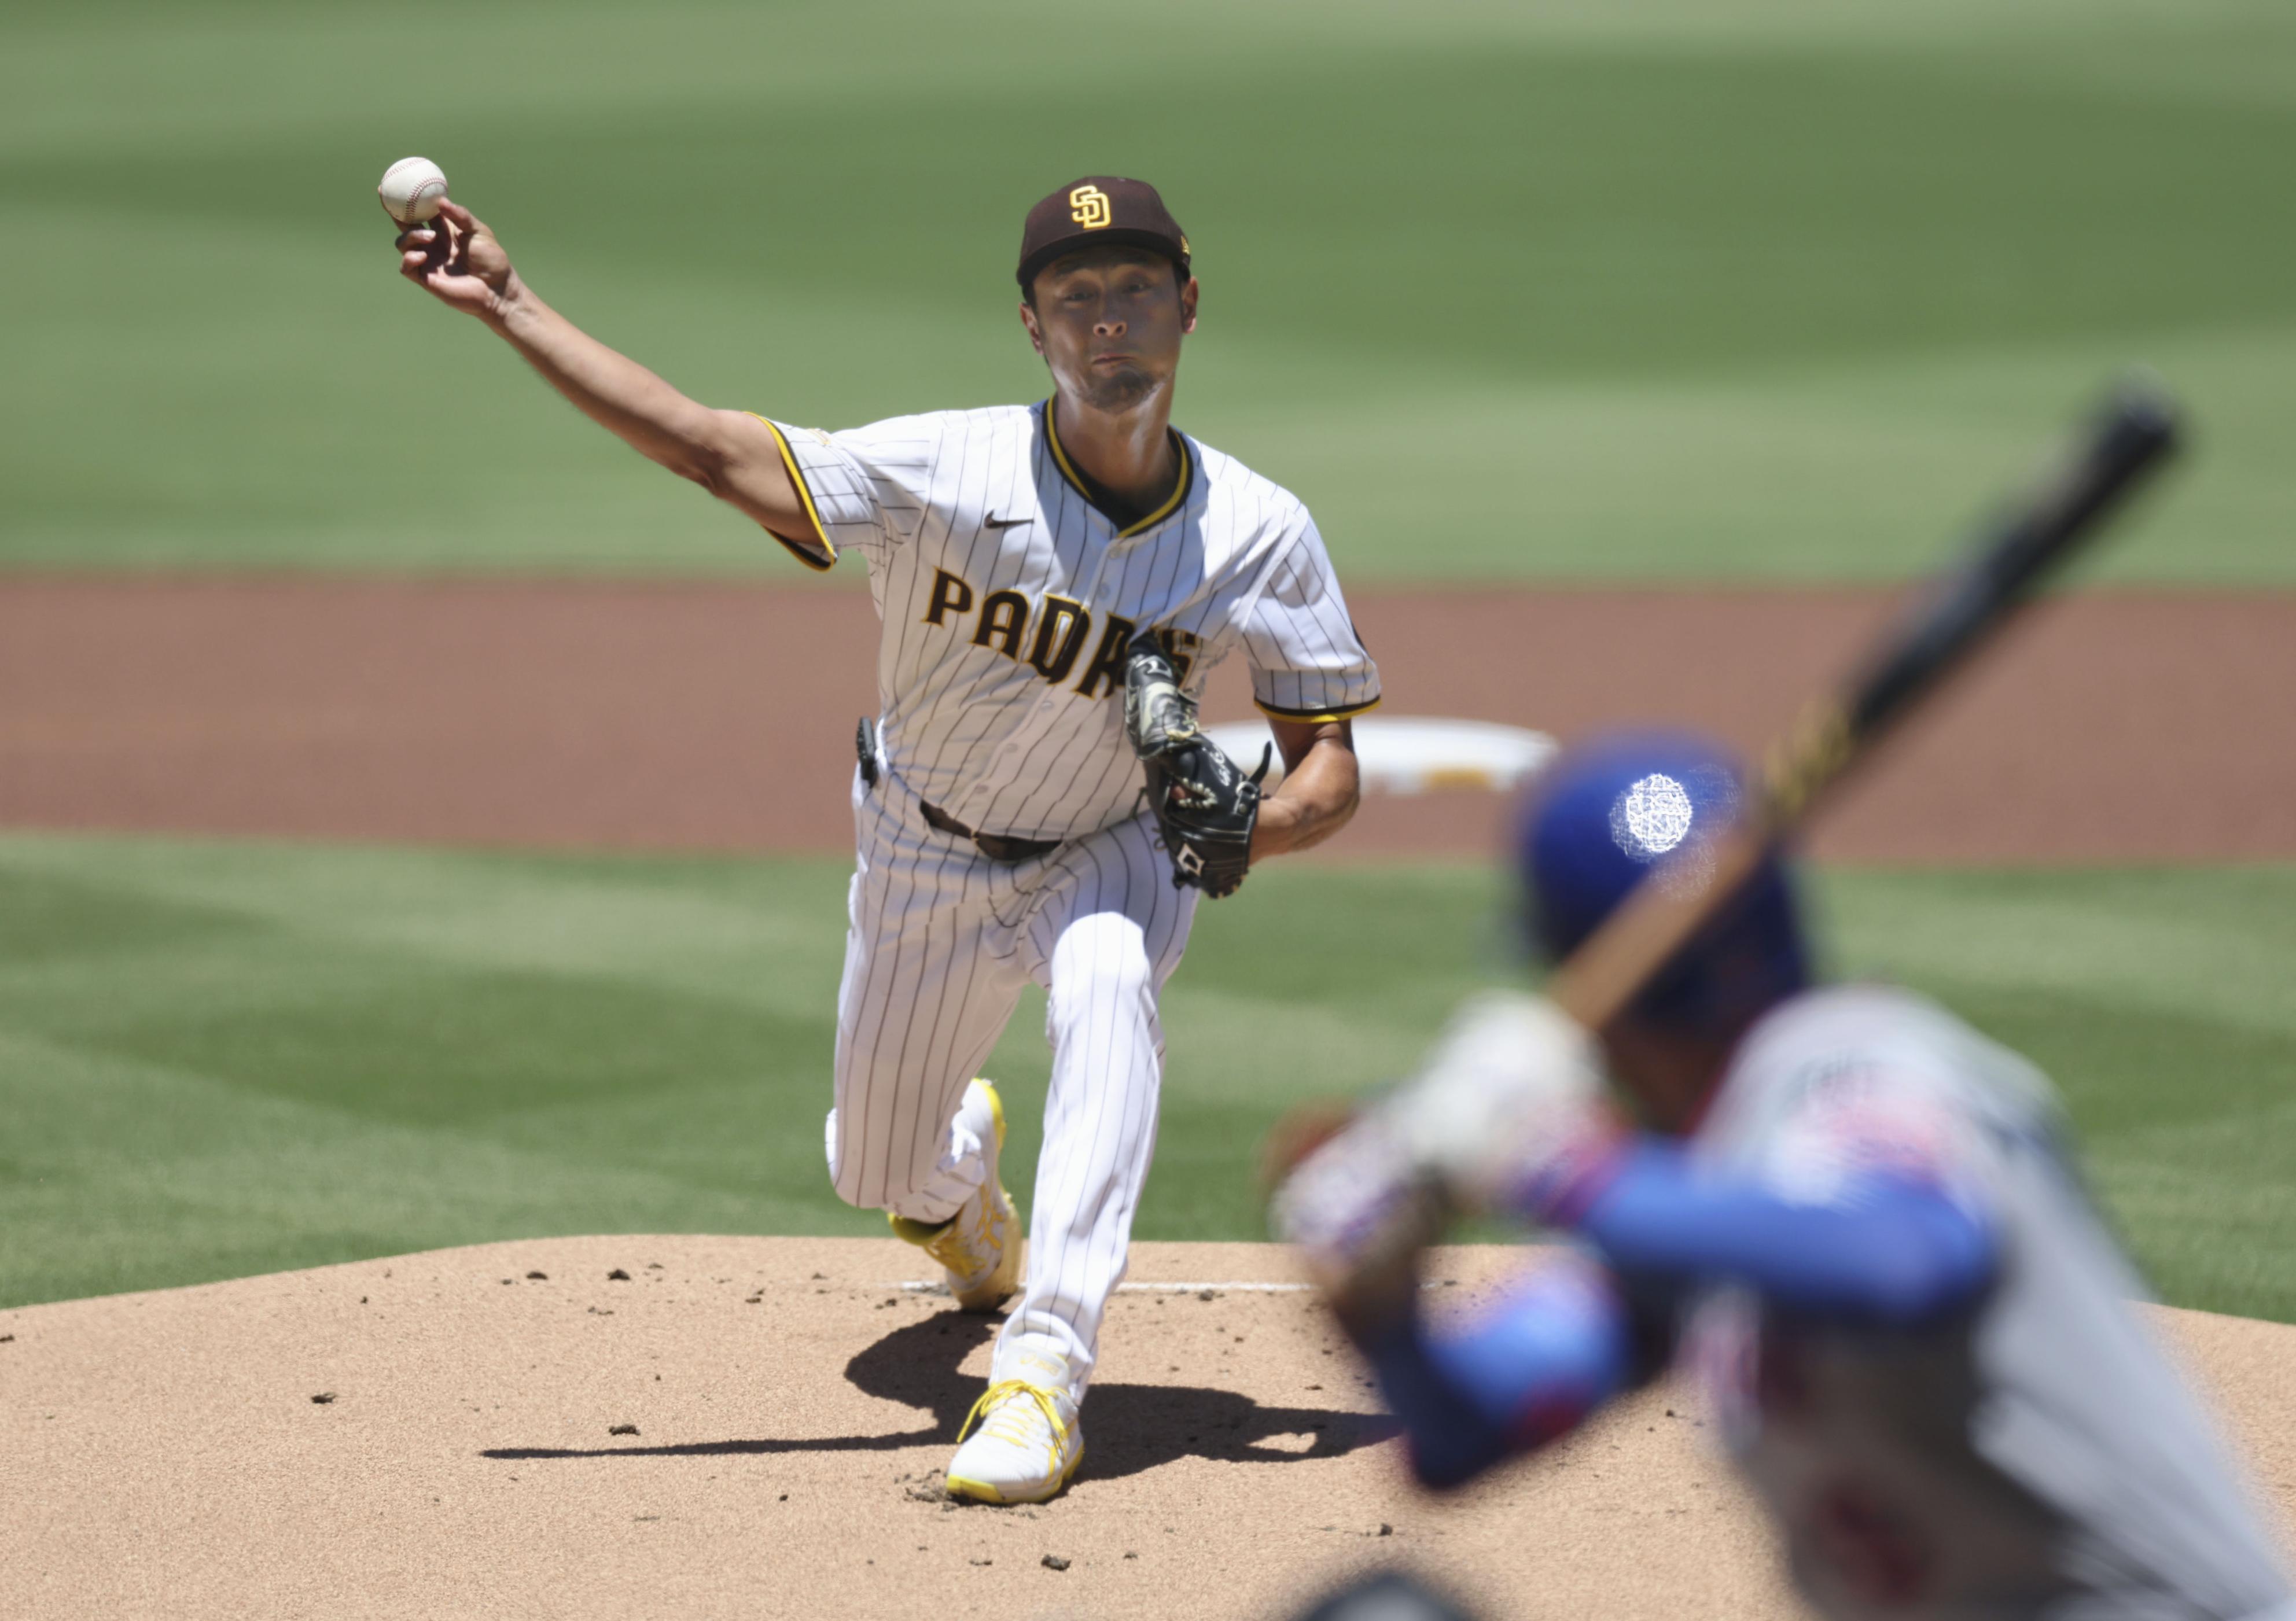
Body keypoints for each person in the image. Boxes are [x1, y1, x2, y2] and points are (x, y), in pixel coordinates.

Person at [393, 175, 1380, 1503]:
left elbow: (1329, 764)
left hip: (1112, 846)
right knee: (874, 1167)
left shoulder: (1258, 530)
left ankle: (1042, 1373)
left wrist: (1251, 825)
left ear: (1187, 306)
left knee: (1106, 981)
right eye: (1076, 295)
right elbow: (705, 448)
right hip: (924, 849)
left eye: (1138, 288)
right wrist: (512, 304)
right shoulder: (940, 471)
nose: (1109, 319)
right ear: (1031, 326)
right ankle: (956, 1193)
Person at [1273, 730, 2293, 1618]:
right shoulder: (1699, 1193)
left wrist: (1552, 1166)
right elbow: (1463, 1432)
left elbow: (1906, 1256)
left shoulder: (1866, 1066)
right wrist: (1386, 1312)